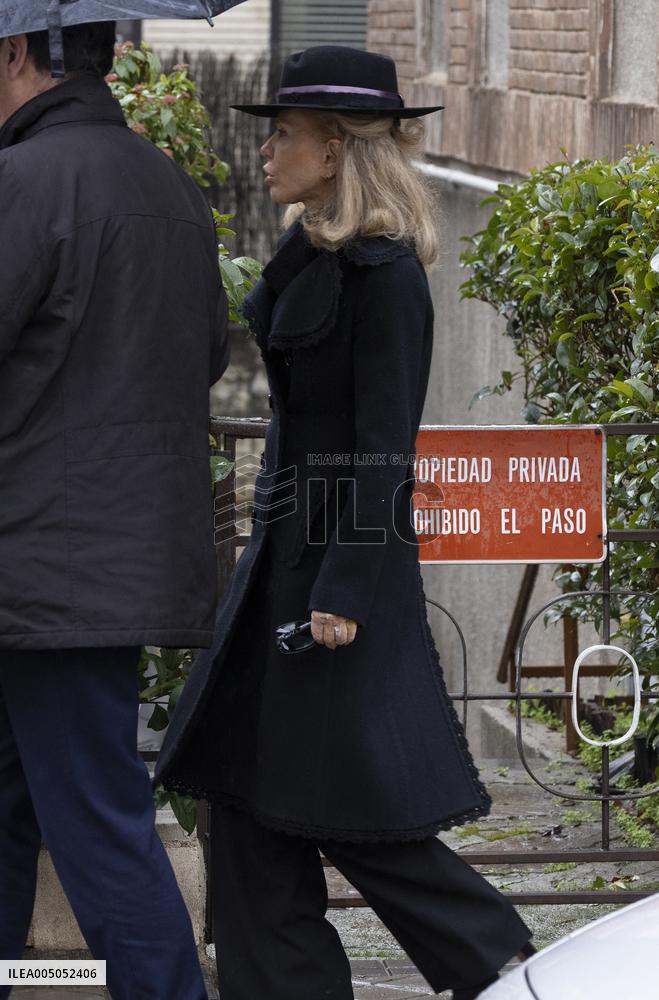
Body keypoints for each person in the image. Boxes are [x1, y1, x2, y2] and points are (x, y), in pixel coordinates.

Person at [155, 45, 534, 1000]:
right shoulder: (318, 254)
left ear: (334, 152)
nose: (269, 150)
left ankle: (507, 965)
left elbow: (383, 452)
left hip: (332, 587)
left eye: (284, 134)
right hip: (282, 567)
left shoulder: (384, 279)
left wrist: (342, 590)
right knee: (247, 799)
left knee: (349, 809)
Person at [0, 21, 228, 1000]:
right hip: (102, 563)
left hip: (39, 563)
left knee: (93, 821)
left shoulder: (26, 183)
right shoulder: (168, 188)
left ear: (19, 52)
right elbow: (207, 356)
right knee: (23, 807)